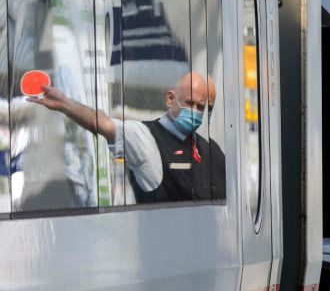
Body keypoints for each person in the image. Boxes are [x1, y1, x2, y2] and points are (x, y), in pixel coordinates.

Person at [29, 71, 226, 203]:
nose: (196, 112)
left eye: (203, 107)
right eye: (190, 103)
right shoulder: (146, 138)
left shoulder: (211, 151)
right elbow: (103, 123)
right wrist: (63, 103)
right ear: (170, 99)